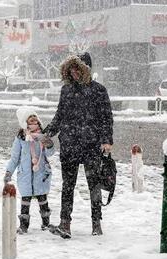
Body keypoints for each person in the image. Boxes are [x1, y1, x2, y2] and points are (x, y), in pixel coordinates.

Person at [44, 52, 114, 239]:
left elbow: (106, 118)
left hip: (91, 144)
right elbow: (60, 116)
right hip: (69, 144)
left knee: (94, 185)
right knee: (68, 185)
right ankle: (65, 223)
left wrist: (107, 140)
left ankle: (96, 222)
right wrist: (48, 133)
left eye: (78, 69)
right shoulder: (66, 90)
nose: (74, 73)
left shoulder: (99, 90)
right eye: (71, 69)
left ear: (86, 70)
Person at [4, 107, 55, 234]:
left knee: (42, 198)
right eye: (30, 121)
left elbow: (50, 153)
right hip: (25, 174)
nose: (33, 122)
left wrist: (48, 143)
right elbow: (15, 158)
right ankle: (24, 226)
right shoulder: (21, 138)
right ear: (24, 123)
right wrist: (9, 172)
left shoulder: (42, 135)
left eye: (35, 120)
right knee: (25, 200)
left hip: (41, 173)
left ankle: (46, 223)